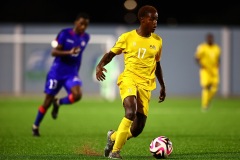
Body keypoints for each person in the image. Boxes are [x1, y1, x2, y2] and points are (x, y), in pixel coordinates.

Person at [95, 5, 166, 159]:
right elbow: (110, 54)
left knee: (137, 129)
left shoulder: (158, 41)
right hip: (129, 79)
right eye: (152, 19)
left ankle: (113, 137)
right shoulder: (127, 37)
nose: (155, 22)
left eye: (156, 19)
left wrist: (162, 86)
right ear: (142, 19)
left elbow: (157, 64)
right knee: (130, 112)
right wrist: (100, 66)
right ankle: (115, 152)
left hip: (146, 85)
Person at [32, 13, 90, 137]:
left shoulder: (86, 37)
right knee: (47, 102)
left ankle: (58, 102)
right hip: (57, 72)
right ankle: (35, 126)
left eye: (86, 24)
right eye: (81, 24)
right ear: (75, 23)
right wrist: (69, 51)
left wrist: (76, 71)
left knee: (77, 95)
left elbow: (79, 56)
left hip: (71, 72)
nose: (83, 27)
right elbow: (54, 52)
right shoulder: (65, 34)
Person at [195, 33, 221, 111]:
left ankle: (207, 100)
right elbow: (197, 58)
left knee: (215, 88)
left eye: (211, 38)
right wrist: (201, 64)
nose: (210, 40)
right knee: (205, 87)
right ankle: (205, 105)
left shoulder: (217, 48)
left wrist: (218, 65)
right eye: (209, 38)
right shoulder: (202, 47)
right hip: (205, 70)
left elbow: (218, 58)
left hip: (214, 70)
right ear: (207, 39)